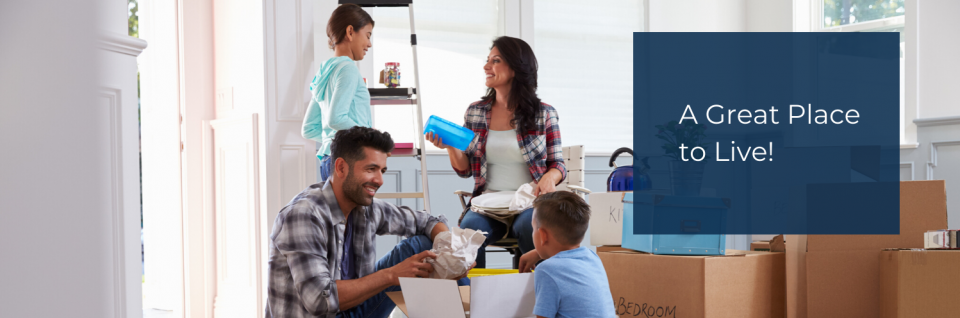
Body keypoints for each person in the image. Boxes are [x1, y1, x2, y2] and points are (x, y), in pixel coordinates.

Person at [266, 127, 471, 318]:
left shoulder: (365, 207)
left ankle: (473, 311)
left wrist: (453, 256)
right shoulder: (304, 215)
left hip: (353, 311)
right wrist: (391, 275)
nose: (380, 180)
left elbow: (428, 221)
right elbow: (319, 300)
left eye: (382, 170)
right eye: (371, 169)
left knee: (422, 245)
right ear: (341, 167)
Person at [427, 36, 566, 268]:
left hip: (530, 202)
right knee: (469, 233)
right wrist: (450, 145)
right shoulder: (475, 112)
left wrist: (550, 177)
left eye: (496, 60)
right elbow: (465, 170)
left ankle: (532, 295)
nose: (486, 66)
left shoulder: (544, 114)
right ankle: (476, 298)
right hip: (488, 202)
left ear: (515, 68)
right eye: (487, 60)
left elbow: (558, 163)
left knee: (527, 227)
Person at [303, 3, 375, 182]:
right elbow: (336, 119)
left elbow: (309, 128)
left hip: (329, 161)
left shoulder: (324, 72)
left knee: (334, 211)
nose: (369, 44)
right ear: (350, 32)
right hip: (349, 160)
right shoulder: (348, 68)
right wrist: (369, 138)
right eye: (367, 35)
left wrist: (332, 139)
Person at [520, 191, 616, 318]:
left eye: (533, 229)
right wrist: (538, 253)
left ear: (543, 235)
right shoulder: (592, 258)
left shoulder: (546, 270)